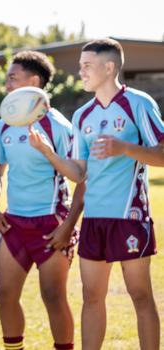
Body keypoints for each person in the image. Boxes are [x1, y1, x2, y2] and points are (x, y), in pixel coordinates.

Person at [64, 38, 163, 350]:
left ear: (109, 68)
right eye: (80, 66)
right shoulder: (81, 115)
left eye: (87, 66)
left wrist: (124, 149)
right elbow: (80, 173)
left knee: (140, 295)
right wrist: (47, 153)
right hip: (94, 219)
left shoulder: (139, 103)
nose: (81, 72)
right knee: (91, 297)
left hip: (129, 216)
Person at [0, 50, 80, 350]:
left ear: (34, 81)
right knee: (4, 293)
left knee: (53, 295)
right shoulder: (3, 125)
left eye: (12, 78)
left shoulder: (59, 126)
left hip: (52, 223)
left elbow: (82, 178)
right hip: (14, 223)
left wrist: (68, 226)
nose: (7, 86)